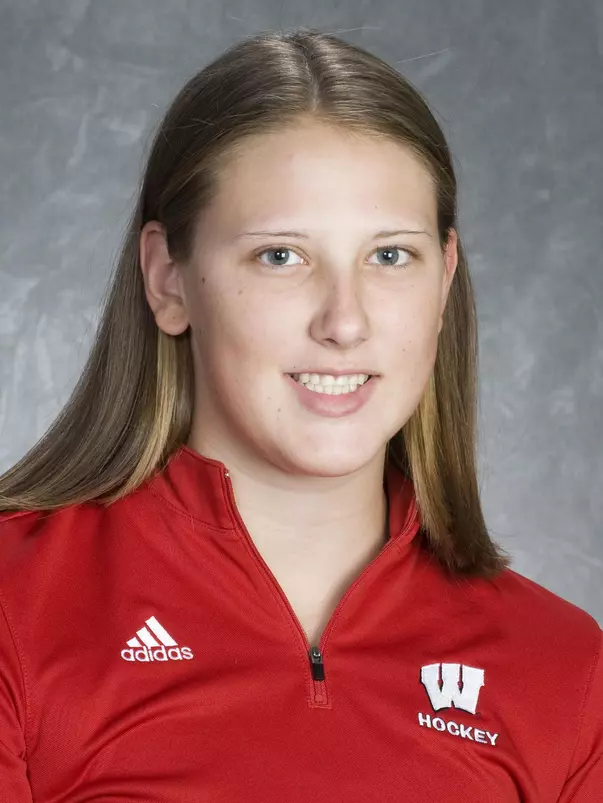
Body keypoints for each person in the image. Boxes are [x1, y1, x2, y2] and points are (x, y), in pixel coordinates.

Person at [0, 27, 600, 802]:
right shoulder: (17, 602)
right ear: (168, 279)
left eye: (389, 256)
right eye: (281, 255)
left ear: (443, 279)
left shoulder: (565, 668)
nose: (344, 322)